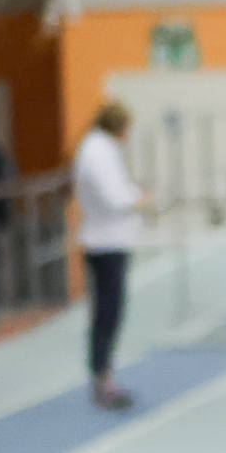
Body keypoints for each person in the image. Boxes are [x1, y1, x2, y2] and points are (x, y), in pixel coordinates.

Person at [73, 102, 146, 410]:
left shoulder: (97, 148)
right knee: (107, 314)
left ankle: (103, 376)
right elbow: (114, 197)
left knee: (107, 313)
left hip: (107, 239)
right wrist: (139, 199)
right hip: (106, 242)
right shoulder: (98, 151)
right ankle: (102, 380)